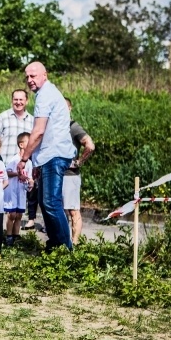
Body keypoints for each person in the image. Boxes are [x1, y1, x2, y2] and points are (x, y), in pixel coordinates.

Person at [19, 62, 76, 252]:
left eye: (33, 76)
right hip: (48, 156)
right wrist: (37, 161)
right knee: (45, 202)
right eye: (27, 77)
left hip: (55, 154)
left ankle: (65, 250)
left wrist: (24, 158)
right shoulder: (46, 93)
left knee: (51, 202)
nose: (29, 80)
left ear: (45, 75)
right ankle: (54, 245)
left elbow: (38, 132)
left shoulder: (45, 95)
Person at [0, 89, 39, 229]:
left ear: (26, 101)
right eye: (15, 99)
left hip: (23, 169)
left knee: (19, 204)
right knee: (1, 201)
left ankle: (14, 234)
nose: (18, 102)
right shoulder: (3, 117)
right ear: (12, 100)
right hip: (5, 166)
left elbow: (36, 143)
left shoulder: (32, 120)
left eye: (21, 99)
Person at [62, 97, 96, 245]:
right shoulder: (56, 127)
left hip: (70, 176)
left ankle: (75, 244)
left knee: (73, 211)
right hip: (56, 174)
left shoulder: (73, 127)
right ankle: (63, 244)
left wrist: (79, 161)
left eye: (63, 107)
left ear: (69, 109)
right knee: (60, 212)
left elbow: (90, 145)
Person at [4, 132, 33, 246]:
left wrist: (30, 183)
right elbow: (8, 172)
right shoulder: (14, 160)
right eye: (28, 142)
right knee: (12, 214)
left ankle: (16, 235)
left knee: (19, 215)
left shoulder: (29, 162)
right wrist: (18, 174)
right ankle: (9, 236)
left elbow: (29, 177)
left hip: (21, 191)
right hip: (12, 191)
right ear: (21, 145)